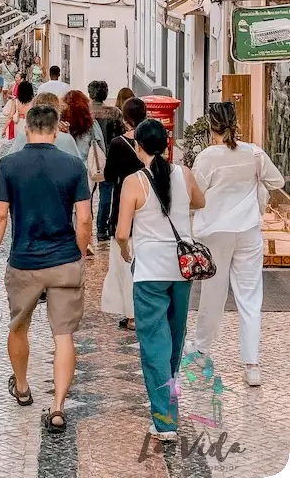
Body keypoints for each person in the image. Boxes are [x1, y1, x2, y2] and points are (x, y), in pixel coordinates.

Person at [0, 104, 92, 434]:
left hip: (24, 262)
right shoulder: (73, 165)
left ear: (26, 129)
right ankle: (58, 406)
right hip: (63, 261)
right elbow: (85, 219)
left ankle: (21, 386)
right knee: (64, 336)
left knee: (18, 327)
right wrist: (78, 255)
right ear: (57, 130)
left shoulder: (9, 165)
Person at [116, 119, 204, 441]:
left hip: (150, 272)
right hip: (181, 271)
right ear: (167, 145)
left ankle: (165, 421)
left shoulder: (133, 182)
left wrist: (126, 251)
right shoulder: (185, 174)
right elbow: (200, 202)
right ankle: (168, 402)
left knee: (154, 342)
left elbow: (122, 233)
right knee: (174, 341)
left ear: (139, 147)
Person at [186, 102, 284, 387]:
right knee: (250, 296)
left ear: (211, 126)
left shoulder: (207, 157)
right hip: (248, 231)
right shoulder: (254, 153)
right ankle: (251, 365)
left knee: (213, 294)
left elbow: (196, 193)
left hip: (215, 233)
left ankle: (202, 349)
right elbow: (276, 180)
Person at [101, 97, 147, 331]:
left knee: (123, 262)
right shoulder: (150, 138)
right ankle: (144, 311)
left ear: (126, 117)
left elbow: (109, 176)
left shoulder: (118, 144)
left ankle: (131, 315)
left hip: (124, 203)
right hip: (148, 204)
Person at [88, 81, 125, 242]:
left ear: (90, 94)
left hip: (89, 157)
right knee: (106, 194)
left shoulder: (85, 112)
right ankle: (102, 229)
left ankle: (86, 227)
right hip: (110, 157)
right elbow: (121, 134)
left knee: (86, 194)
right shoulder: (114, 113)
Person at [10, 92, 82, 159]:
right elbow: (78, 165)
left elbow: (10, 161)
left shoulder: (23, 135)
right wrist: (67, 135)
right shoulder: (66, 139)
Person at [61, 90, 105, 164]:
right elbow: (101, 148)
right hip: (89, 169)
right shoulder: (91, 125)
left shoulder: (62, 126)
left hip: (67, 167)